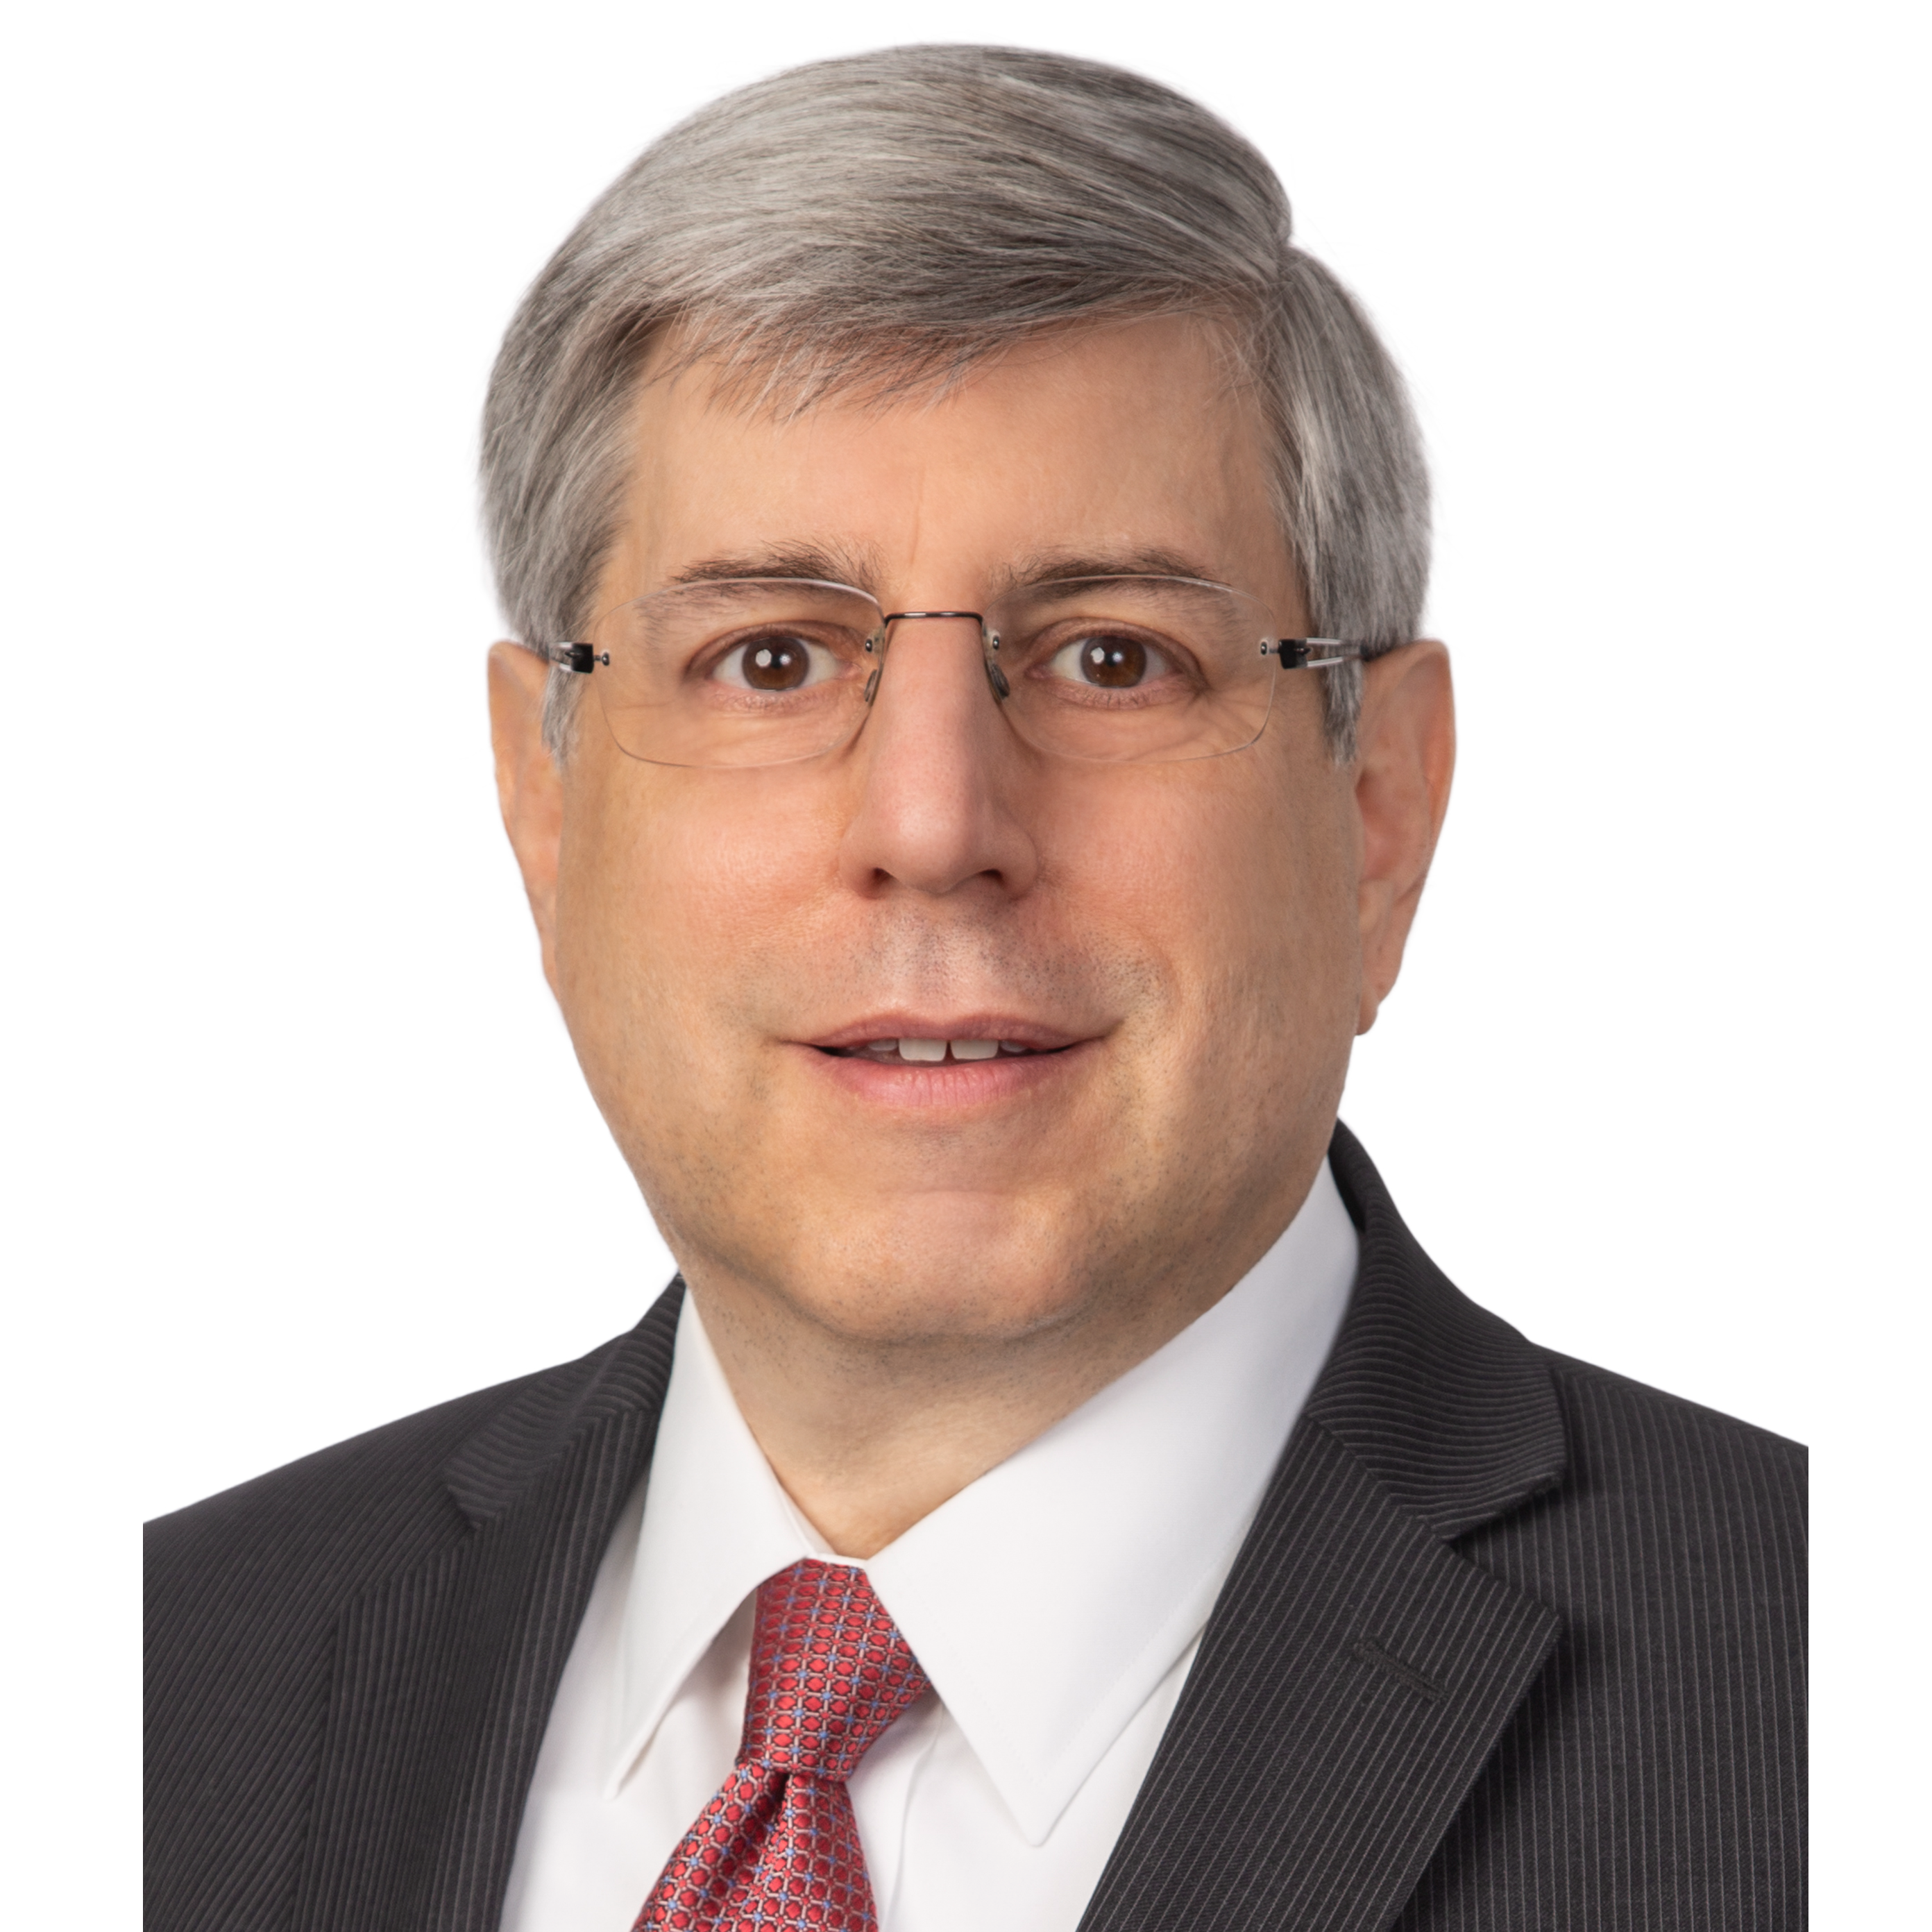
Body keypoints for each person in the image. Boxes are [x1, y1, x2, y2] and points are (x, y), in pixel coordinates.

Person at [143, 44, 1806, 1932]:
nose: (933, 826)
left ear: (1378, 807)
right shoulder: (185, 1681)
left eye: (1113, 657)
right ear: (545, 799)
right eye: (772, 661)